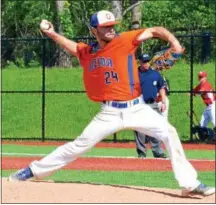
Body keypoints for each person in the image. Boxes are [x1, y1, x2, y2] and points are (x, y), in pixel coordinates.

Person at [8, 10, 215, 197]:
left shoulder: (125, 40)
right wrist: (52, 34)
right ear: (94, 30)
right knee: (78, 146)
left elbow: (155, 30)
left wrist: (174, 42)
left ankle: (189, 183)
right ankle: (32, 170)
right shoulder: (88, 52)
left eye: (112, 25)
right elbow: (73, 47)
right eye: (106, 27)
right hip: (109, 113)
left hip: (137, 108)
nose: (111, 29)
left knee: (169, 133)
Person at [134, 53, 167, 158]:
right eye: (144, 61)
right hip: (138, 104)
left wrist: (164, 101)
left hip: (152, 104)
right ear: (139, 62)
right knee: (139, 129)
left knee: (155, 127)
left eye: (147, 61)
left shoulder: (155, 74)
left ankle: (158, 152)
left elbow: (161, 87)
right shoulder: (134, 74)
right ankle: (141, 153)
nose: (146, 64)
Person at [192, 71, 216, 140]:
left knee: (214, 121)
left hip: (213, 105)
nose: (200, 78)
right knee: (202, 123)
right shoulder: (200, 85)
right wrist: (191, 92)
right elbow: (194, 90)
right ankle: (204, 137)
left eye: (202, 77)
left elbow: (201, 91)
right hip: (208, 106)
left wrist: (195, 93)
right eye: (199, 77)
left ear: (205, 77)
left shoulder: (206, 84)